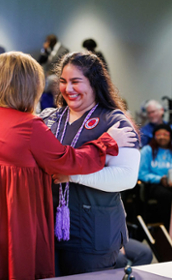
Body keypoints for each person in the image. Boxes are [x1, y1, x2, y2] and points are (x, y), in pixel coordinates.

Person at [0, 52, 133, 280]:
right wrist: (108, 142)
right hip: (9, 228)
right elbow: (69, 161)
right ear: (28, 86)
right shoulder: (28, 125)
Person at [40, 52, 139, 275]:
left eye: (76, 82)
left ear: (94, 82)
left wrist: (74, 175)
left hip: (93, 232)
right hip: (48, 229)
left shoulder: (116, 122)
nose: (68, 89)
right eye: (63, 82)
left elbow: (126, 177)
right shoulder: (49, 118)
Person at [139, 124, 172, 229]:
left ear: (171, 136)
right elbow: (141, 173)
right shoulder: (147, 151)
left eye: (165, 134)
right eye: (159, 134)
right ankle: (168, 229)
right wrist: (160, 179)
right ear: (154, 136)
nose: (162, 137)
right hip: (155, 185)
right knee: (166, 196)